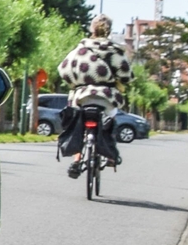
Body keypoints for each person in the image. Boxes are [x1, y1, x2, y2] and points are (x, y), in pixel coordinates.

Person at [55, 17, 132, 178]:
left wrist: (76, 83)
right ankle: (110, 155)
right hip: (107, 98)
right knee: (109, 122)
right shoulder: (115, 51)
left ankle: (77, 160)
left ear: (92, 29)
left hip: (82, 97)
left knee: (79, 125)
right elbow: (126, 75)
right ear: (109, 30)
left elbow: (63, 69)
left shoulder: (80, 49)